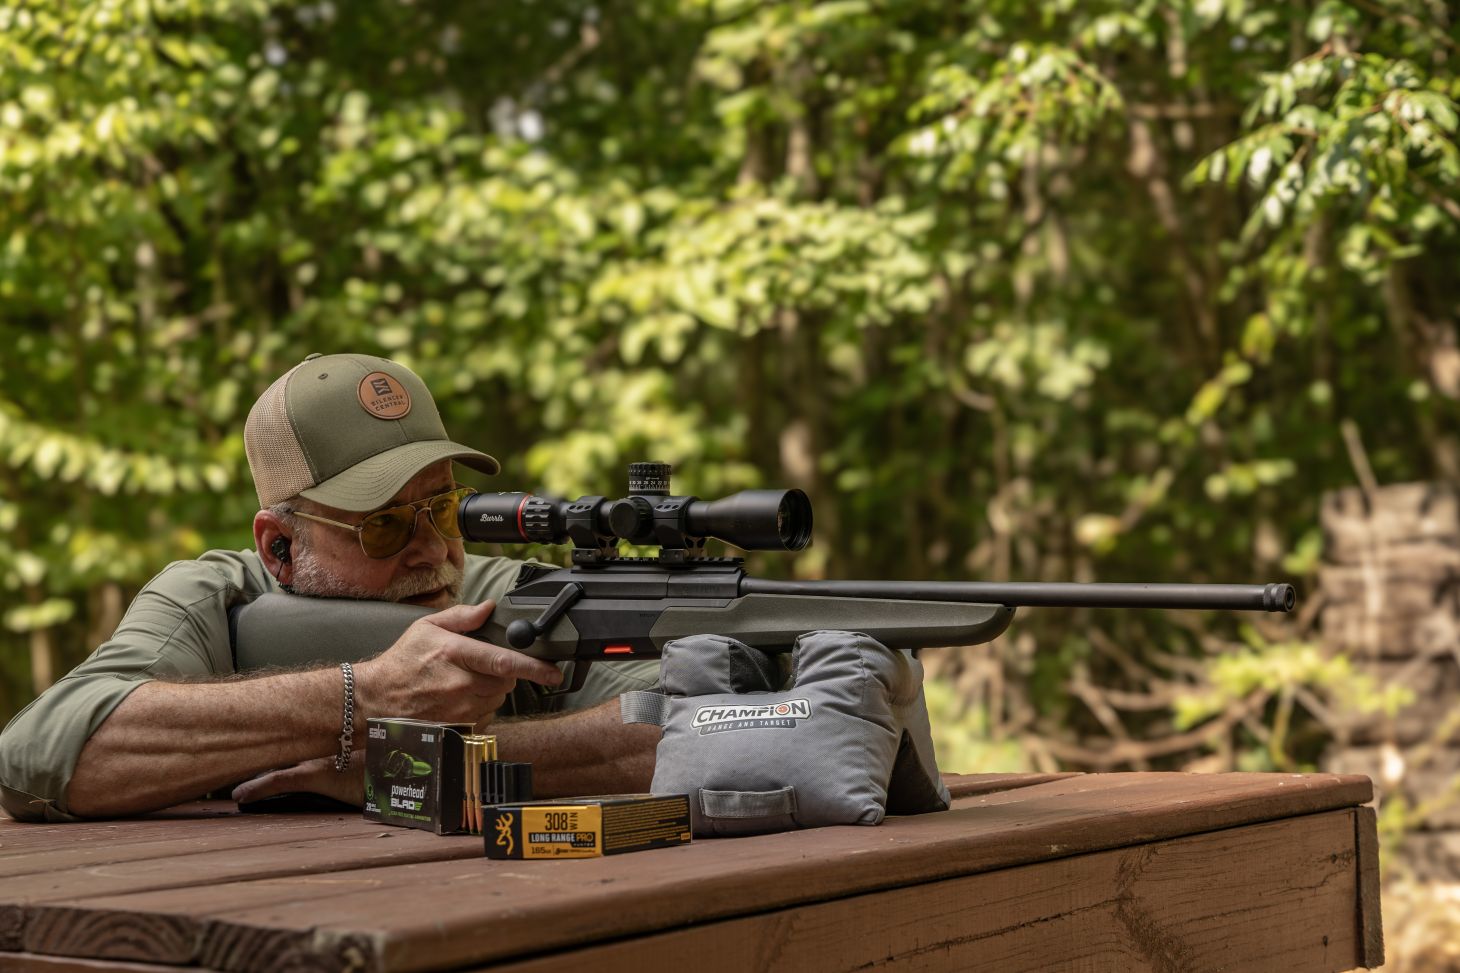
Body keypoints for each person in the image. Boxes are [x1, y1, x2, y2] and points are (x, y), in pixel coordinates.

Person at [0, 353, 662, 822]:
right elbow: (37, 755)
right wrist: (366, 695)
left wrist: (399, 766)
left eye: (443, 509)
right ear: (278, 547)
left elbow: (676, 732)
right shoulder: (215, 596)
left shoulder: (523, 594)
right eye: (382, 526)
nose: (432, 549)